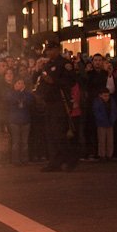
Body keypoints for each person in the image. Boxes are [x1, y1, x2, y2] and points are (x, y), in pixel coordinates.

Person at [37, 42, 77, 172]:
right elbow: (42, 81)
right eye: (47, 50)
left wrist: (54, 81)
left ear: (57, 50)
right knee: (50, 134)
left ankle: (70, 160)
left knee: (60, 133)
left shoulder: (64, 64)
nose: (48, 53)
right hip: (49, 103)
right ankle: (54, 161)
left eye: (50, 50)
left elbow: (71, 81)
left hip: (60, 102)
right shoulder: (48, 64)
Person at [7, 78, 33, 165]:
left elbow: (30, 101)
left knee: (25, 142)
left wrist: (22, 92)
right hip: (14, 121)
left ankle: (25, 160)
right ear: (14, 85)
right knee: (16, 142)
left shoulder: (28, 94)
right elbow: (12, 101)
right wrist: (20, 94)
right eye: (18, 83)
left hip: (25, 120)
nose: (20, 85)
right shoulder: (11, 93)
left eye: (22, 83)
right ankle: (15, 160)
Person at [92, 88, 117, 161]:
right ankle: (102, 155)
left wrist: (112, 120)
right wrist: (103, 120)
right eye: (105, 96)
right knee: (102, 140)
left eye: (108, 96)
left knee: (110, 140)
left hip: (110, 123)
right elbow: (96, 113)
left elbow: (114, 111)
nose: (106, 97)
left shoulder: (112, 101)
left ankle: (109, 155)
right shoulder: (97, 102)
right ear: (100, 95)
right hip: (101, 123)